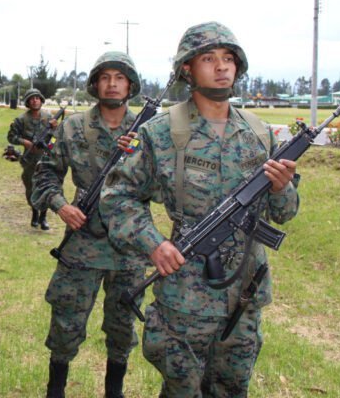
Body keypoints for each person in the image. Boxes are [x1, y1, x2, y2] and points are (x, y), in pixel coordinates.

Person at [100, 22, 299, 397]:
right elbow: (116, 198)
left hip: (245, 293)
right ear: (187, 69)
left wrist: (281, 187)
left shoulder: (260, 133)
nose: (222, 67)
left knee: (231, 389)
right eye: (209, 58)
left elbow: (285, 212)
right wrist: (154, 244)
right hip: (186, 297)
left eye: (228, 58)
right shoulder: (161, 133)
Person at [32, 52, 146, 398]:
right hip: (82, 241)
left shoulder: (147, 130)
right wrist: (61, 206)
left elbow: (162, 184)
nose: (112, 84)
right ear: (96, 84)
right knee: (66, 320)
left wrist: (137, 161)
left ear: (130, 85)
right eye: (106, 77)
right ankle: (56, 390)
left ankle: (115, 391)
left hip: (130, 242)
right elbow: (46, 173)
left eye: (120, 77)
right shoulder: (73, 127)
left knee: (122, 325)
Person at [7, 88, 58, 229]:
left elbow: (56, 139)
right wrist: (25, 142)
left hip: (46, 159)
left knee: (46, 186)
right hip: (29, 160)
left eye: (37, 98)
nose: (35, 100)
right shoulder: (21, 120)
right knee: (31, 187)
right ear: (28, 102)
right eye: (32, 98)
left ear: (41, 100)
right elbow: (11, 137)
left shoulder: (49, 117)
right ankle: (35, 212)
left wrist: (54, 133)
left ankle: (43, 217)